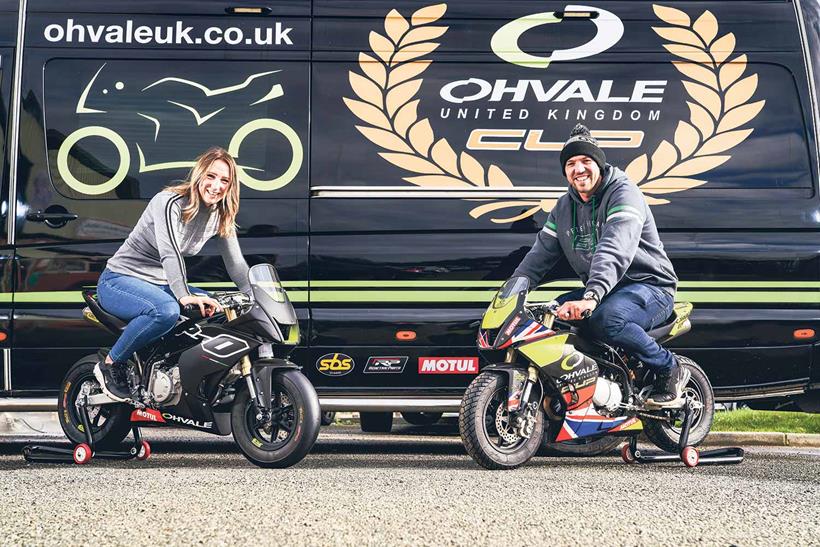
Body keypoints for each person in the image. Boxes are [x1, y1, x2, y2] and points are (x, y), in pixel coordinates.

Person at [512, 124, 686, 406]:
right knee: (547, 316)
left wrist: (591, 296)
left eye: (585, 161)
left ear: (599, 164)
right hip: (607, 290)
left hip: (649, 287)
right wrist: (511, 291)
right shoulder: (563, 208)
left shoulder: (623, 193)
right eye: (570, 163)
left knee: (607, 320)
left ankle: (668, 368)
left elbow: (614, 248)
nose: (578, 169)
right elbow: (539, 255)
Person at [94, 147, 250, 401]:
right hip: (120, 280)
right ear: (199, 175)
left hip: (160, 286)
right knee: (166, 310)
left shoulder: (221, 214)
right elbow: (170, 253)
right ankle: (111, 364)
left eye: (225, 180)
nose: (216, 185)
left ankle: (170, 375)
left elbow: (236, 264)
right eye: (211, 176)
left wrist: (257, 296)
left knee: (222, 310)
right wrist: (184, 295)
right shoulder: (168, 202)